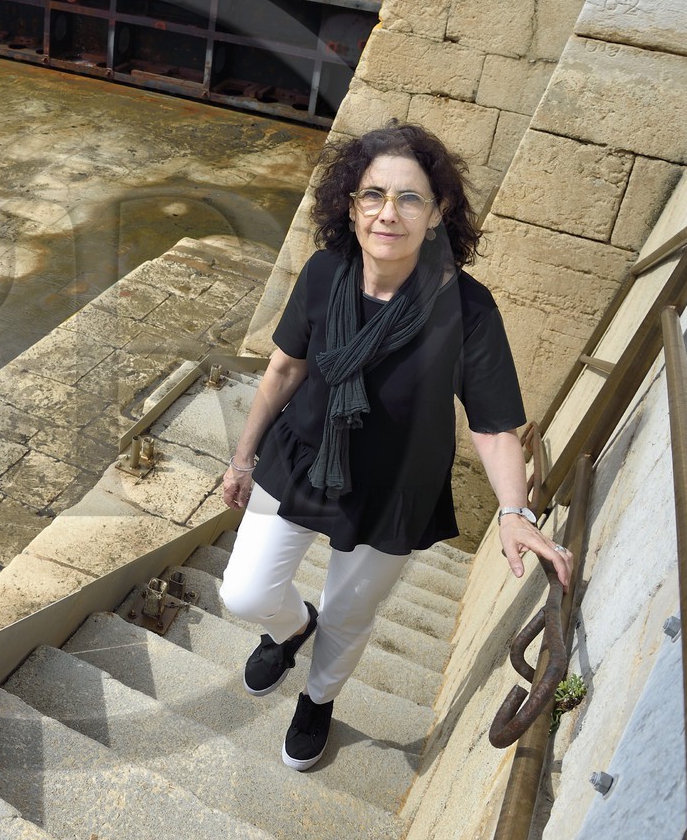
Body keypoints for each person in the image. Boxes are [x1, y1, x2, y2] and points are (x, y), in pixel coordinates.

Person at [219, 121, 572, 771]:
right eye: (372, 195)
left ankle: (318, 699)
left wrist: (514, 511)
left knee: (349, 614)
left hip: (395, 489)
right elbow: (284, 370)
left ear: (438, 213)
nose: (389, 212)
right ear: (349, 207)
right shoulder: (325, 273)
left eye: (410, 197)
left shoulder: (467, 309)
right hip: (301, 455)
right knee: (243, 591)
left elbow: (493, 425)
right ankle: (292, 627)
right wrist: (243, 457)